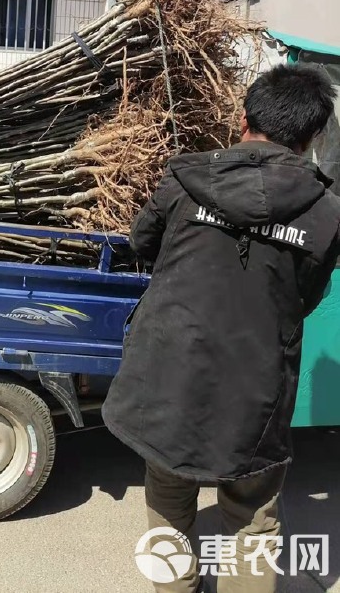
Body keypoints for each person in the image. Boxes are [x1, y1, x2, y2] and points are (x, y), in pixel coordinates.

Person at [102, 64, 340, 593]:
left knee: (169, 495)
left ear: (242, 118)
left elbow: (142, 245)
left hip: (168, 375)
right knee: (251, 519)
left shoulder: (185, 177)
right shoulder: (327, 215)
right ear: (311, 138)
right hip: (255, 390)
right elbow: (306, 295)